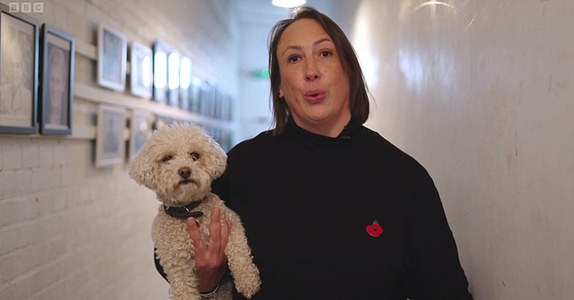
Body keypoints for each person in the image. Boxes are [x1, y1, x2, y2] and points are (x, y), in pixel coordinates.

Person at [156, 6, 473, 299]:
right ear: (279, 86)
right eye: (294, 59)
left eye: (325, 53)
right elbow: (170, 246)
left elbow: (445, 290)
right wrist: (207, 282)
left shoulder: (403, 177)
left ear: (348, 70)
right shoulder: (241, 166)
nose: (311, 71)